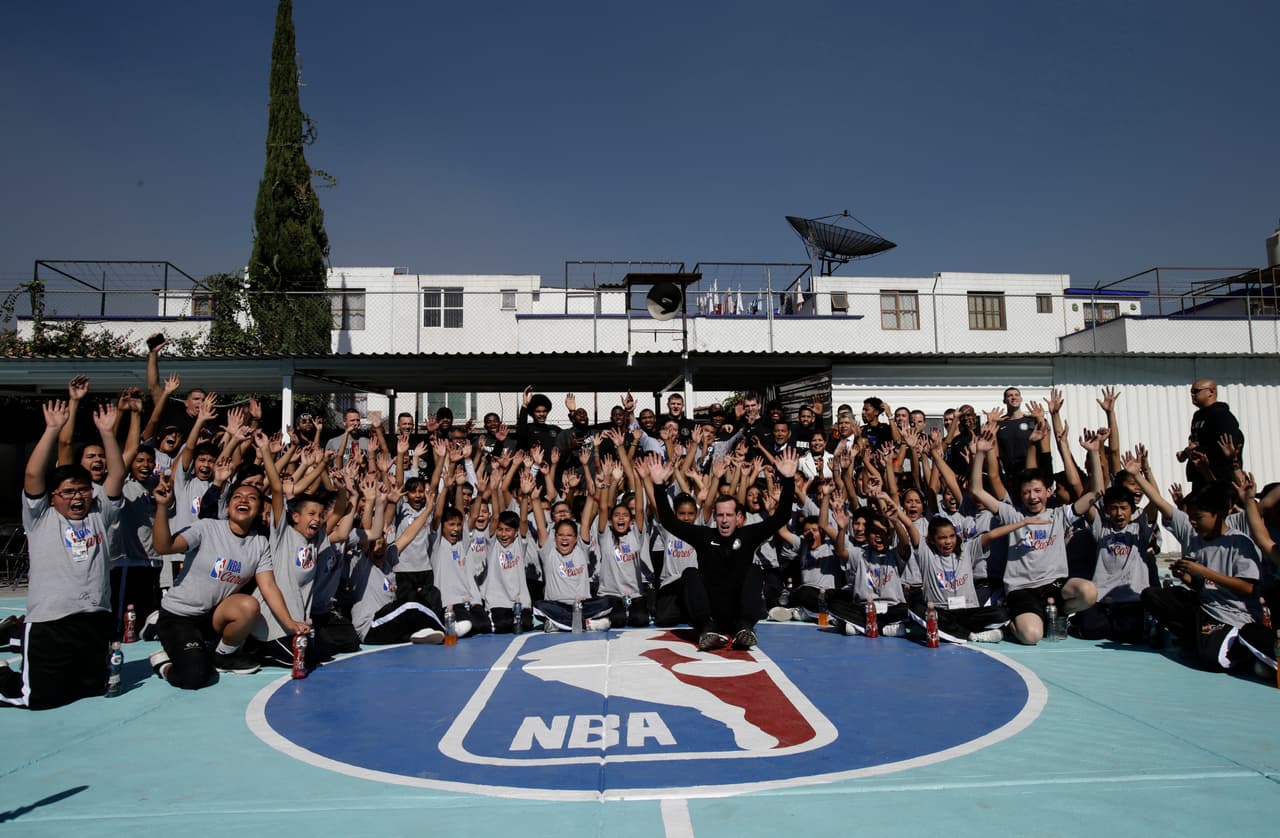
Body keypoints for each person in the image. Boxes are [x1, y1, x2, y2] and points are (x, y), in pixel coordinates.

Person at [2, 399, 125, 710]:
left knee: (91, 689)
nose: (77, 497)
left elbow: (117, 475)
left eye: (83, 489)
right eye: (68, 491)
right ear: (53, 497)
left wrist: (108, 434)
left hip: (94, 618)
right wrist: (52, 430)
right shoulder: (41, 518)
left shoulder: (99, 513)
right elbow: (33, 475)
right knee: (39, 698)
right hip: (51, 622)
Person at [147, 480, 304, 685]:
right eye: (237, 496)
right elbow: (164, 547)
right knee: (195, 676)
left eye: (252, 498)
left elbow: (268, 587)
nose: (244, 500)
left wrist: (290, 623)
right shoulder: (207, 527)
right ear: (228, 507)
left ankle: (222, 655)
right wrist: (162, 506)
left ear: (259, 510)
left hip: (212, 617)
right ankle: (162, 663)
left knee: (248, 605)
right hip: (179, 616)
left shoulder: (259, 543)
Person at [646, 448, 798, 651]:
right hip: (710, 613)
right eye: (720, 515)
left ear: (738, 517)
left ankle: (745, 629)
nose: (725, 520)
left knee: (755, 570)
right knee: (690, 573)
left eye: (729, 515)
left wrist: (788, 479)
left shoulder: (749, 535)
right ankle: (707, 630)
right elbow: (669, 522)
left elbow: (781, 517)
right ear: (715, 517)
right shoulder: (703, 536)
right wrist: (658, 485)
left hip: (738, 612)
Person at [968, 425, 1099, 645]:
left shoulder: (1059, 515)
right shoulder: (1013, 515)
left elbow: (1095, 493)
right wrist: (980, 453)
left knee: (1089, 592)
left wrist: (1094, 453)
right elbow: (977, 491)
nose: (1032, 496)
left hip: (1054, 586)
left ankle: (1059, 614)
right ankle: (1007, 623)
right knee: (1031, 636)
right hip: (1022, 589)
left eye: (1037, 491)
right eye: (1027, 492)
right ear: (1021, 496)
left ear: (1048, 492)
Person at [1179, 379, 1244, 492]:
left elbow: (1226, 446)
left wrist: (1197, 451)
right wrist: (1186, 453)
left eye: (1196, 391)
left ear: (1211, 392)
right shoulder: (1198, 416)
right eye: (1191, 392)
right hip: (1200, 476)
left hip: (1217, 477)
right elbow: (1197, 442)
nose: (1192, 395)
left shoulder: (1221, 415)